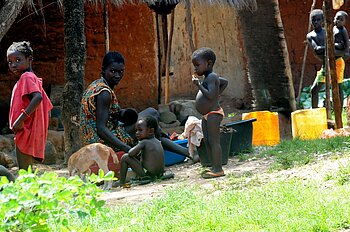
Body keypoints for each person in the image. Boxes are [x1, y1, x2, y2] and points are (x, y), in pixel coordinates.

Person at [80, 51, 197, 163]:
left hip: (97, 138)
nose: (117, 75)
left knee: (150, 126)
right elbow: (101, 129)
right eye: (113, 71)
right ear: (103, 70)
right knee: (151, 116)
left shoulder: (96, 86)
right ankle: (187, 153)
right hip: (101, 142)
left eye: (121, 71)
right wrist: (126, 148)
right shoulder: (104, 93)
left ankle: (186, 153)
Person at [6, 41, 53, 170]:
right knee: (27, 172)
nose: (13, 65)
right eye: (10, 62)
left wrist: (20, 120)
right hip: (25, 130)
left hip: (25, 131)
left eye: (17, 60)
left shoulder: (27, 76)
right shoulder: (29, 78)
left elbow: (38, 97)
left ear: (29, 59)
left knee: (24, 173)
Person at [191, 47, 228, 179]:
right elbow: (224, 82)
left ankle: (218, 169)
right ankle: (213, 166)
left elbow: (211, 95)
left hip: (213, 113)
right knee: (207, 140)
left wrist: (199, 85)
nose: (195, 69)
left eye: (197, 65)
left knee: (214, 141)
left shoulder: (211, 77)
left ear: (209, 63)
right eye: (194, 66)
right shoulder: (211, 77)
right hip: (207, 114)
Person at [307, 9, 348, 109]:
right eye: (313, 20)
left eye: (318, 20)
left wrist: (326, 48)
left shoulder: (329, 32)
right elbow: (317, 50)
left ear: (322, 21)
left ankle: (339, 110)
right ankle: (315, 112)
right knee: (314, 90)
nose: (315, 22)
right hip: (326, 64)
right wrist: (330, 47)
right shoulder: (310, 36)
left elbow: (341, 49)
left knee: (338, 86)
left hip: (337, 61)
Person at [118, 116, 164, 187]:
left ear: (150, 131)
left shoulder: (144, 142)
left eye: (140, 130)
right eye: (136, 130)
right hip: (159, 173)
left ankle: (121, 182)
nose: (137, 133)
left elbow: (130, 154)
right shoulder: (158, 142)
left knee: (125, 157)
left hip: (148, 174)